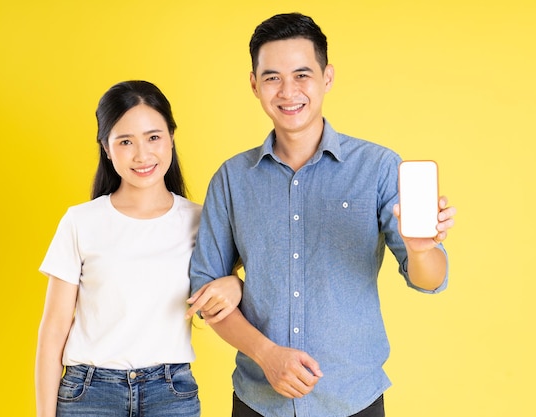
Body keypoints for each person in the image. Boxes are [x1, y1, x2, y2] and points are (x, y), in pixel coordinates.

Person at [187, 13, 457, 417]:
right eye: (272, 77)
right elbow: (206, 291)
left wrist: (420, 250)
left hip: (353, 397)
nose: (288, 91)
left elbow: (430, 280)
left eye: (302, 74)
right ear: (254, 84)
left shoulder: (378, 167)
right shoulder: (232, 178)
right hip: (258, 400)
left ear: (327, 77)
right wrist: (266, 354)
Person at [35, 80, 243, 417]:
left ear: (171, 137)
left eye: (153, 137)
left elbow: (227, 292)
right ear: (106, 147)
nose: (142, 155)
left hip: (170, 393)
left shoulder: (201, 220)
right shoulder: (81, 222)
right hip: (89, 394)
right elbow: (54, 329)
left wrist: (235, 283)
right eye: (125, 141)